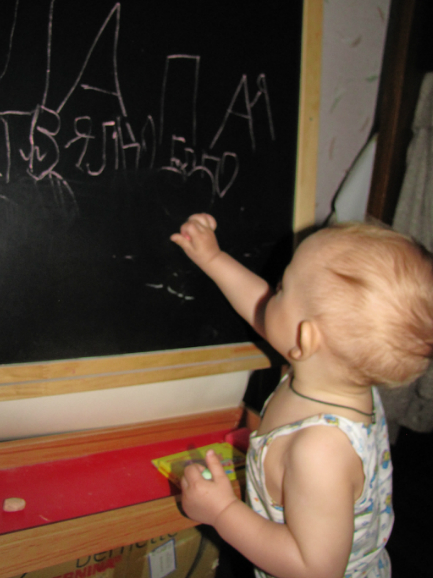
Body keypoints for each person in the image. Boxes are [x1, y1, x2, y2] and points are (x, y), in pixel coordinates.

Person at [170, 214, 433, 578]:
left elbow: (315, 569)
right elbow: (265, 312)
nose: (272, 293)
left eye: (281, 288)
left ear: (305, 340)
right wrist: (213, 259)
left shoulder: (320, 451)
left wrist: (222, 512)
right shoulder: (337, 373)